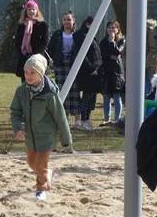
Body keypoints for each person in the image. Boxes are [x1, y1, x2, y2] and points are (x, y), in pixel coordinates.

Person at [11, 54, 72, 201]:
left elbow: (60, 117)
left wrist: (66, 139)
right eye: (26, 72)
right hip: (30, 135)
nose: (28, 76)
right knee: (32, 163)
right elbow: (15, 112)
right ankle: (48, 173)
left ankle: (41, 189)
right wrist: (18, 128)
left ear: (41, 73)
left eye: (32, 72)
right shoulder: (22, 91)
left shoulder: (50, 95)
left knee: (40, 164)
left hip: (46, 136)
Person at [46, 11, 80, 123]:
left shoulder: (77, 35)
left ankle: (77, 119)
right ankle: (65, 119)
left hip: (73, 65)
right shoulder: (57, 34)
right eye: (65, 19)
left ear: (73, 21)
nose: (66, 22)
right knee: (61, 90)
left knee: (74, 91)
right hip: (60, 66)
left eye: (69, 19)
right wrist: (55, 58)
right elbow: (50, 48)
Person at [72, 16, 103, 130]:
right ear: (88, 24)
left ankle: (87, 120)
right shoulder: (81, 36)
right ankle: (81, 121)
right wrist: (91, 69)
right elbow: (82, 55)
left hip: (95, 74)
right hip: (87, 74)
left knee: (91, 99)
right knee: (86, 98)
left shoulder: (92, 37)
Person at [14, 0, 49, 81]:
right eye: (29, 9)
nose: (31, 11)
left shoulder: (42, 25)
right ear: (26, 11)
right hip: (24, 57)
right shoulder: (22, 25)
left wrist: (34, 55)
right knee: (25, 83)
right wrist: (22, 53)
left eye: (33, 9)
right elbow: (18, 41)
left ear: (37, 11)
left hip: (37, 58)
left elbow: (45, 42)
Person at [100, 20, 125, 124]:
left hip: (117, 71)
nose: (111, 29)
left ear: (117, 29)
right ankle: (106, 118)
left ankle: (117, 119)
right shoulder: (103, 41)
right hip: (106, 70)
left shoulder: (122, 40)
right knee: (106, 95)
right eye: (109, 27)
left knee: (116, 94)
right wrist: (111, 56)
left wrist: (112, 41)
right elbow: (102, 54)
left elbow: (118, 52)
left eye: (113, 27)